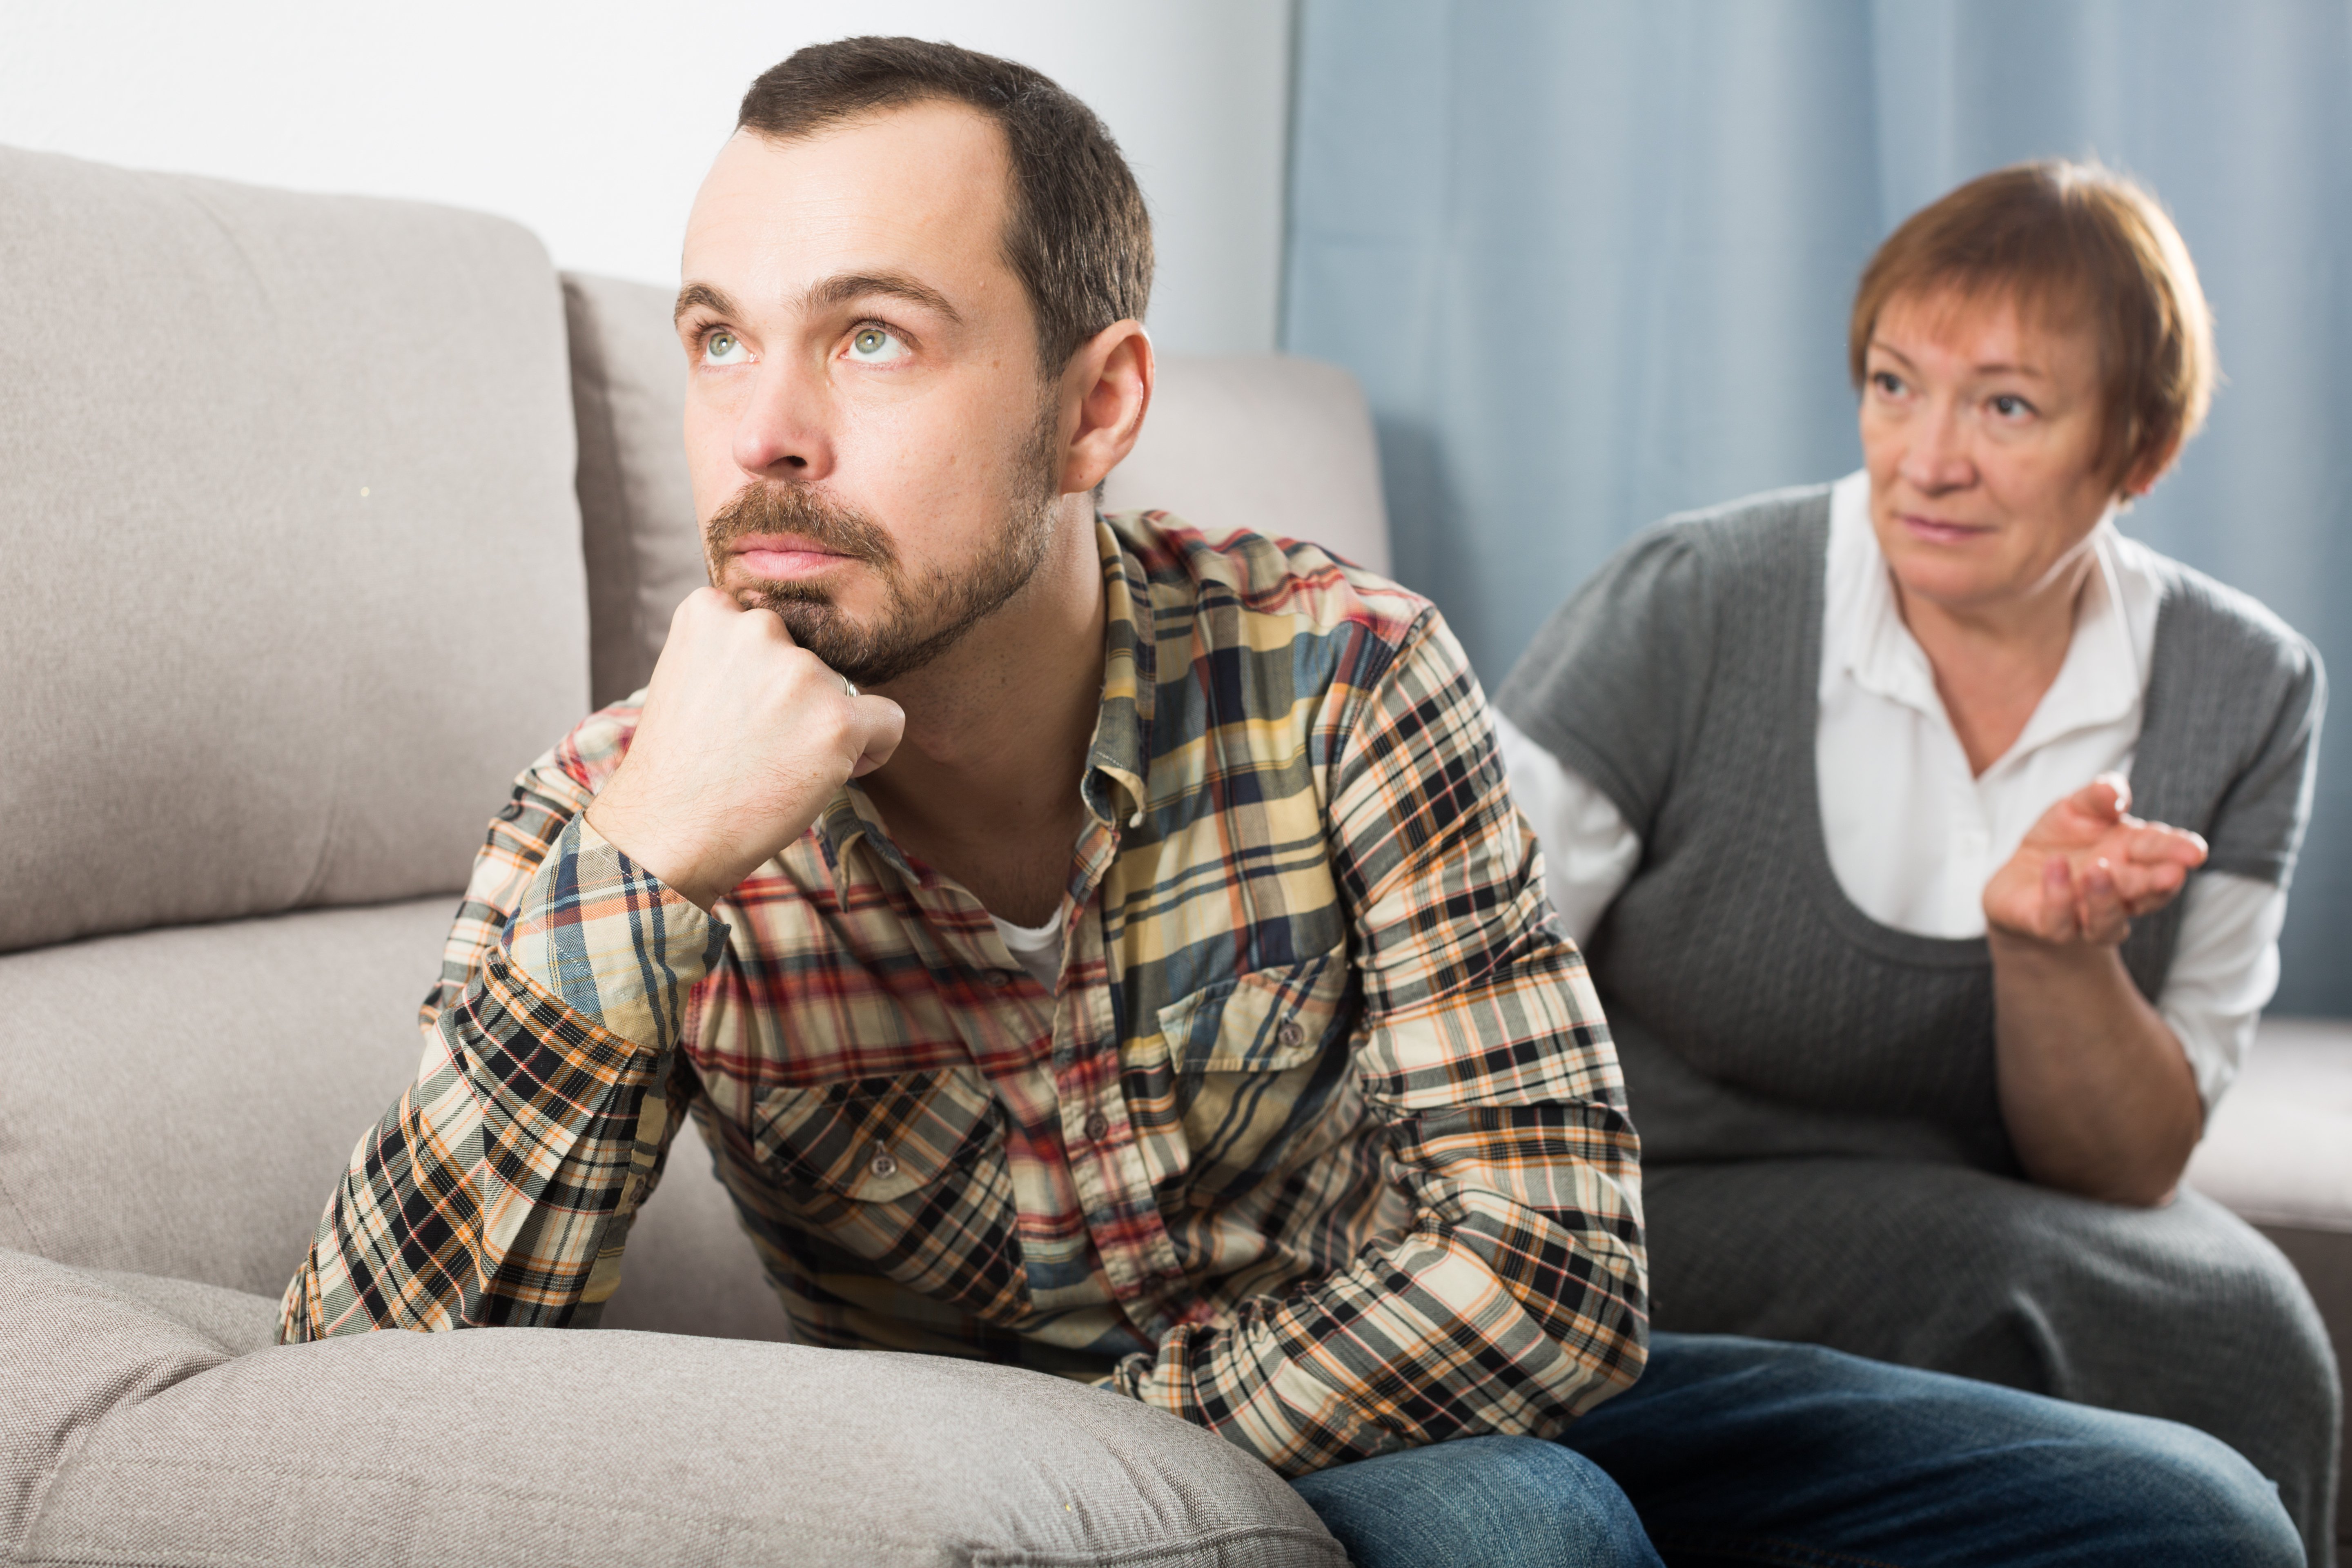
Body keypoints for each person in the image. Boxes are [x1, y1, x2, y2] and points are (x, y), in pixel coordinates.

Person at [280, 46, 2299, 1566]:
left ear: (1101, 406)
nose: (767, 435)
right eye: (720, 339)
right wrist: (647, 880)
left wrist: (1160, 1438)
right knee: (1527, 1534)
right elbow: (349, 1416)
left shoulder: (1342, 670)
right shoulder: (612, 818)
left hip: (1412, 1357)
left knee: (2193, 1512)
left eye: (872, 335)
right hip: (993, 1481)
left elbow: (1553, 1275)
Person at [1497, 159, 2336, 1561]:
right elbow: (1448, 984)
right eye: (1895, 385)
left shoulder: (2246, 687)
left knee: (2243, 1322)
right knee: (2026, 1280)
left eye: (2006, 405)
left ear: (2140, 449)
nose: (1926, 457)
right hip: (1633, 1201)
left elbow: (2131, 1167)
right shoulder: (1698, 601)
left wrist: (2051, 955)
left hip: (2007, 1211)